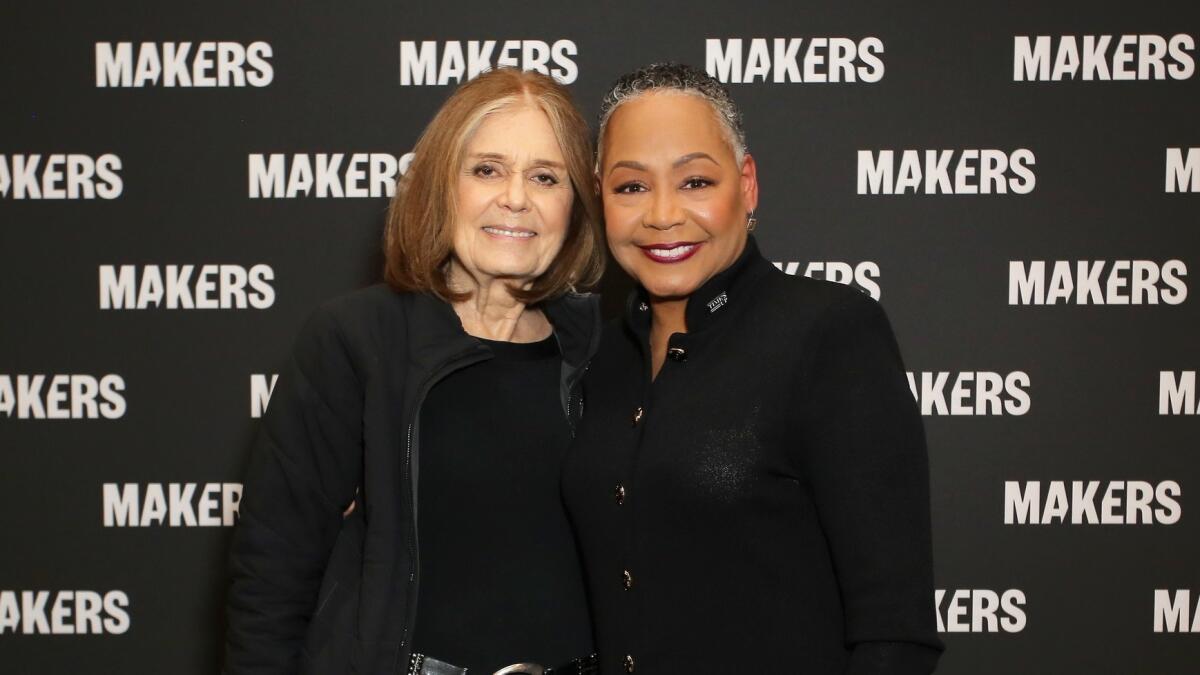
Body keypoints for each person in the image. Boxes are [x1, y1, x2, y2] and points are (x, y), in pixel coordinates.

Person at [563, 63, 943, 674]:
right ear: (600, 194)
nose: (662, 214)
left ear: (747, 184)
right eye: (632, 187)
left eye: (695, 182)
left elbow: (894, 633)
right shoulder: (596, 362)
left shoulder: (828, 333)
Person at [225, 68, 604, 675]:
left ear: (576, 205)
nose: (515, 197)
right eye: (486, 169)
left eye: (545, 176)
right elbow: (273, 573)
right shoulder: (357, 341)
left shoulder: (606, 348)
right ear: (438, 186)